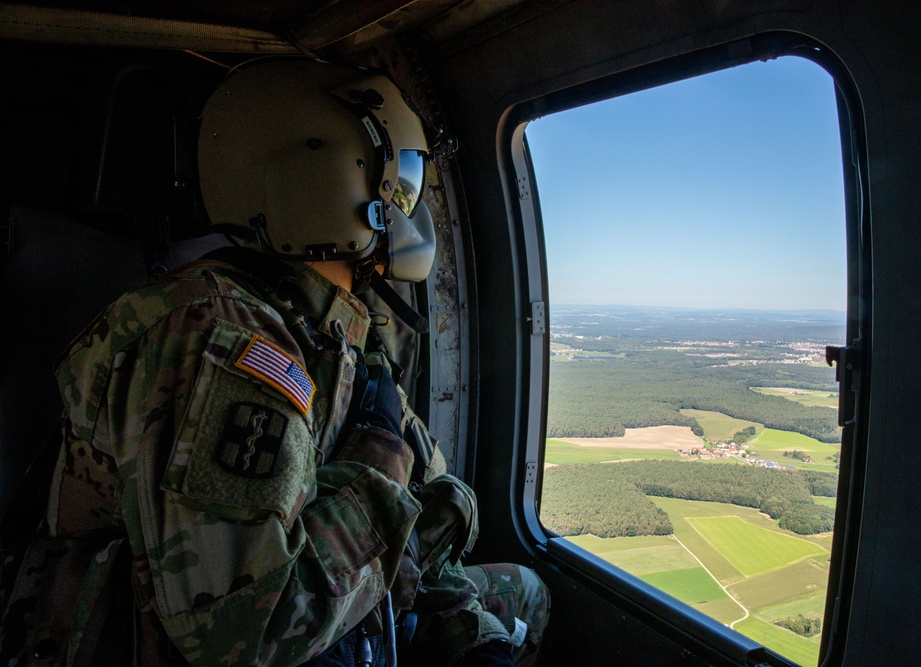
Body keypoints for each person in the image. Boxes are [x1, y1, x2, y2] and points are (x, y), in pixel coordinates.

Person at [0, 58, 548, 666]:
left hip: (341, 623)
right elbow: (248, 630)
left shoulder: (335, 333)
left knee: (527, 594)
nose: (408, 205)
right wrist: (376, 481)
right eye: (402, 179)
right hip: (161, 643)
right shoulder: (217, 337)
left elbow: (411, 502)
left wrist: (466, 632)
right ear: (330, 175)